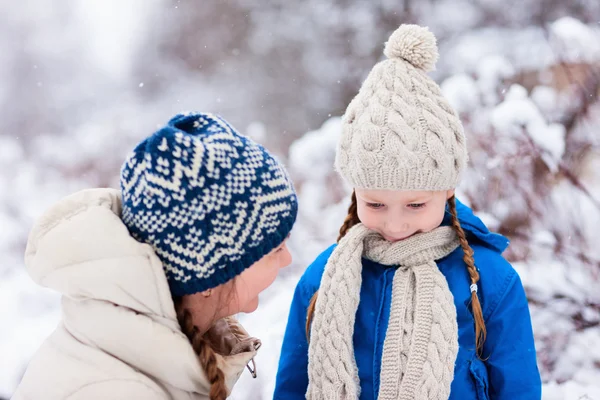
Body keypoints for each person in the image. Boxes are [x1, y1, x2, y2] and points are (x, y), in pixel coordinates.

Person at [274, 25, 541, 399]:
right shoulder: (325, 278)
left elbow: (518, 388)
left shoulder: (489, 281)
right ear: (355, 194)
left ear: (448, 189)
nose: (395, 224)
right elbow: (291, 387)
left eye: (415, 205)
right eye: (375, 204)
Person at [12, 112, 298, 400]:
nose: (288, 259)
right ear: (210, 272)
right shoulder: (117, 390)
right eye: (275, 249)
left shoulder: (146, 354)